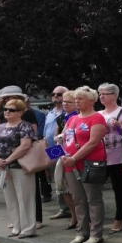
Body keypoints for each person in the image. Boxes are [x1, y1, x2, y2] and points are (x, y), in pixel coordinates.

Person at [61, 87, 107, 243]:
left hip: (89, 164)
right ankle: (81, 232)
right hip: (70, 165)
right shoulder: (72, 119)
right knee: (78, 199)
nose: (77, 101)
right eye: (76, 98)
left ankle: (96, 234)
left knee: (93, 199)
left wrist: (74, 158)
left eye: (80, 98)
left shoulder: (97, 118)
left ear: (91, 100)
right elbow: (63, 139)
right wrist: (59, 155)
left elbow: (93, 142)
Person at [0, 98, 38, 238]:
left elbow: (25, 146)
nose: (7, 112)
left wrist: (7, 160)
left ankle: (28, 229)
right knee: (10, 198)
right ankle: (16, 226)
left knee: (25, 198)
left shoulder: (24, 126)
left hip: (20, 166)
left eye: (11, 110)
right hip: (3, 168)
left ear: (20, 112)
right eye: (5, 109)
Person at [97, 83, 122, 234]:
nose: (101, 96)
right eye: (100, 93)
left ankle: (119, 218)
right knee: (95, 187)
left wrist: (121, 126)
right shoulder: (98, 114)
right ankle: (96, 217)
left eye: (105, 93)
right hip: (100, 155)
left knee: (118, 187)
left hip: (117, 155)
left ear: (114, 95)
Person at [54, 91, 79, 230]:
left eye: (69, 102)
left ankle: (79, 217)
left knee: (75, 189)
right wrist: (56, 156)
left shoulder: (77, 116)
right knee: (62, 187)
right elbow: (57, 138)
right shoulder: (61, 118)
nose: (65, 104)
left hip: (74, 156)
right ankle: (73, 215)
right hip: (62, 156)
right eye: (64, 101)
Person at [45, 86, 70, 220]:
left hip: (65, 149)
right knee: (57, 177)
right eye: (53, 93)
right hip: (53, 148)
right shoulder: (50, 113)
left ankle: (72, 208)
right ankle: (63, 208)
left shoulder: (70, 113)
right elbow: (47, 134)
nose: (55, 96)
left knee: (66, 179)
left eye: (59, 94)